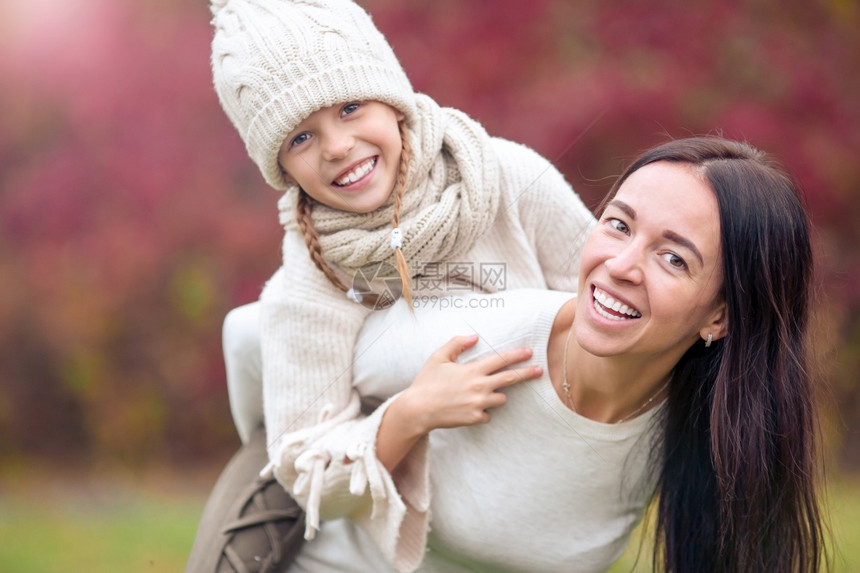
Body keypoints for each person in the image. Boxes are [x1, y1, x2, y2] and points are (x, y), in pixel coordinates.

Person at [193, 136, 829, 572]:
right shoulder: (486, 337)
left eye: (673, 257)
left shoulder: (708, 430)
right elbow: (254, 334)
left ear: (721, 316)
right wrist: (399, 418)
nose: (620, 266)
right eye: (618, 224)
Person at [192, 0, 596, 570]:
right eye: (300, 139)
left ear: (393, 97)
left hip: (541, 480)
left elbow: (604, 292)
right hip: (419, 529)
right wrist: (411, 413)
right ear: (280, 167)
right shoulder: (308, 284)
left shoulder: (507, 177)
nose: (336, 146)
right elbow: (308, 473)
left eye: (351, 107)